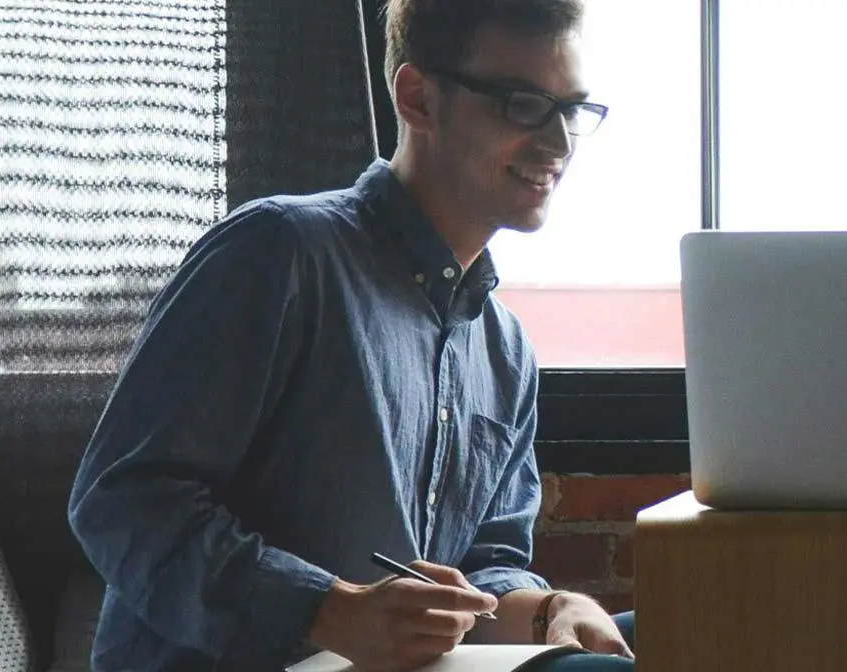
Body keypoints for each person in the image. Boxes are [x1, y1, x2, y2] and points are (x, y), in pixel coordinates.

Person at [66, 0, 636, 669]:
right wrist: (328, 610)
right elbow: (122, 501)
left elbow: (486, 563)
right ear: (418, 97)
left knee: (664, 632)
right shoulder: (279, 252)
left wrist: (545, 608)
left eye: (572, 109)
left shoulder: (503, 349)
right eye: (522, 105)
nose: (558, 143)